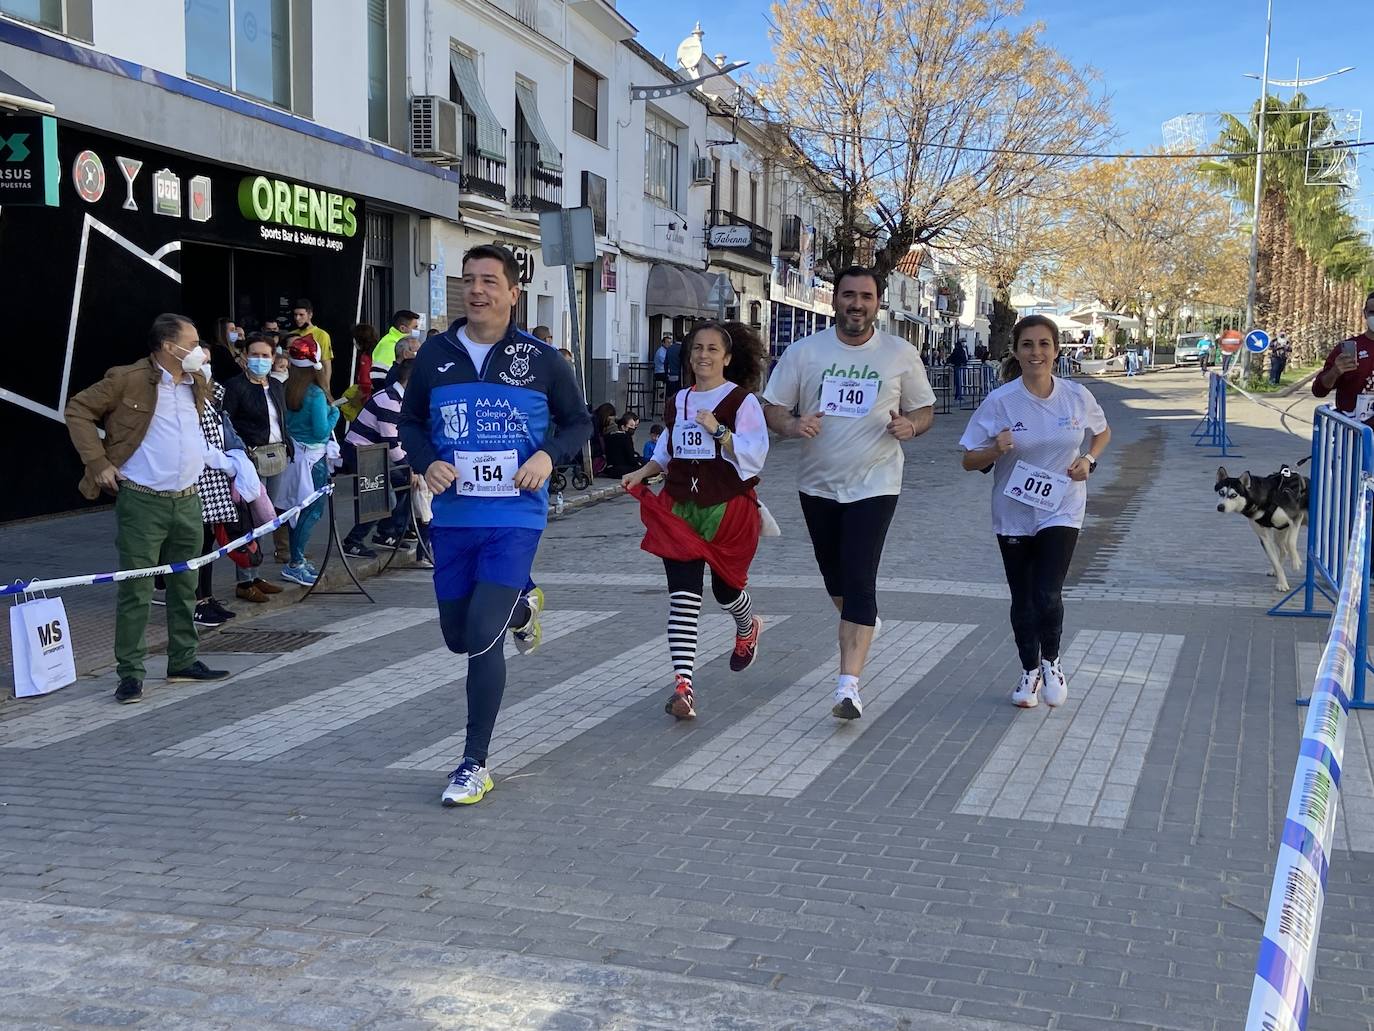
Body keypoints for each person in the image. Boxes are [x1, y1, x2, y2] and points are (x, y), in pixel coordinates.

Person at [398, 244, 592, 807]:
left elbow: (579, 421)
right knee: (458, 636)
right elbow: (411, 422)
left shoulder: (541, 359)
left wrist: (548, 456)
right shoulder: (434, 355)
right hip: (453, 516)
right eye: (469, 280)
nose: (477, 290)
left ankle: (472, 763)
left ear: (513, 292)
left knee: (483, 635)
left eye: (489, 280)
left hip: (514, 516)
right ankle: (524, 601)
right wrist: (426, 458)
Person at [762, 265, 935, 720]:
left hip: (876, 482)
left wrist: (910, 426)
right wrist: (793, 424)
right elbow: (772, 408)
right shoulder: (804, 352)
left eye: (866, 296)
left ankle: (847, 687)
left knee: (859, 577)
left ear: (878, 303)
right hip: (817, 484)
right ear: (834, 299)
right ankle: (862, 616)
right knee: (835, 580)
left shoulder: (899, 353)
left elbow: (925, 410)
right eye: (849, 295)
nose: (857, 304)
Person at [63, 314, 230, 704]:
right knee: (137, 590)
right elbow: (77, 410)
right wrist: (98, 463)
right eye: (193, 343)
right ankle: (131, 674)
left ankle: (183, 660)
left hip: (189, 499)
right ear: (169, 347)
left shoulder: (197, 381)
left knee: (185, 587)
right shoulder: (128, 378)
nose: (200, 350)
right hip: (143, 501)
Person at [959, 316, 1111, 708]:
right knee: (1023, 598)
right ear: (1016, 351)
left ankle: (1052, 661)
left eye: (1044, 344)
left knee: (1047, 592)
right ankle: (1029, 672)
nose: (1036, 353)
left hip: (1062, 507)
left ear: (1057, 350)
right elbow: (968, 460)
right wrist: (996, 449)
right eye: (1028, 345)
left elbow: (1103, 431)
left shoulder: (1076, 396)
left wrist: (1089, 460)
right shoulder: (1001, 401)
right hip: (1013, 512)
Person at [621, 322, 769, 719]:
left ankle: (746, 625)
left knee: (725, 593)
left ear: (728, 357)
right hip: (681, 509)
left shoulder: (741, 402)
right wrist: (643, 472)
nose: (703, 355)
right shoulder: (678, 401)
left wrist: (720, 431)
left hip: (727, 511)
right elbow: (668, 452)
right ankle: (683, 686)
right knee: (684, 600)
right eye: (697, 349)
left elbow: (754, 457)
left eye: (712, 349)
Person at [221, 334, 291, 602]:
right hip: (250, 460)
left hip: (277, 456)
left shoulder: (275, 385)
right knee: (248, 519)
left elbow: (281, 419)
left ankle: (256, 573)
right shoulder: (235, 387)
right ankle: (244, 580)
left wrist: (289, 446)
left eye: (265, 355)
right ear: (244, 356)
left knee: (265, 518)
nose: (260, 360)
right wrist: (240, 455)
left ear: (274, 358)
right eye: (255, 355)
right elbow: (227, 426)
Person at [343, 338, 421, 558]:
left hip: (377, 452)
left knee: (404, 483)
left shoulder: (401, 398)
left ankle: (386, 532)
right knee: (381, 496)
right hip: (361, 451)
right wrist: (410, 467)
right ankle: (353, 541)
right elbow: (392, 443)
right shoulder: (389, 401)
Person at [278, 336, 337, 586]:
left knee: (294, 508)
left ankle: (296, 558)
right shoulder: (315, 394)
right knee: (311, 510)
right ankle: (296, 563)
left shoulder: (283, 387)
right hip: (313, 460)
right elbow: (321, 431)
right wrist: (335, 414)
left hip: (291, 456)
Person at [1312, 292, 1374, 422]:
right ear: (1365, 313)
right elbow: (1319, 390)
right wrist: (1335, 371)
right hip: (1353, 431)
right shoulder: (1348, 349)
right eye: (1372, 312)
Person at [371, 310, 421, 392]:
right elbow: (380, 375)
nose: (417, 330)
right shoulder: (389, 344)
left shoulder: (400, 341)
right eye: (415, 327)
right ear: (402, 328)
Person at [291, 298, 333, 388]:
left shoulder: (322, 335)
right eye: (295, 315)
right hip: (295, 381)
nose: (297, 318)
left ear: (310, 315)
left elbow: (326, 363)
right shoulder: (291, 335)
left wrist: (326, 388)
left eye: (301, 315)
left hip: (314, 382)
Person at [653, 334, 670, 401]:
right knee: (671, 380)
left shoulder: (665, 351)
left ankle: (666, 393)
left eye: (670, 342)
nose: (669, 344)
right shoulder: (661, 352)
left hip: (664, 372)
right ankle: (665, 394)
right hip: (660, 373)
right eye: (667, 342)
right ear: (663, 343)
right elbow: (665, 362)